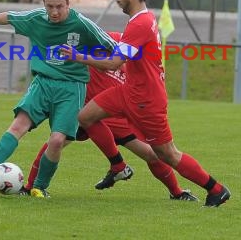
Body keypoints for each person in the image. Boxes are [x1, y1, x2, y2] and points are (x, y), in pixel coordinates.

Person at [60, 0, 230, 207]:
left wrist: (78, 56)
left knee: (167, 154)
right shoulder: (143, 20)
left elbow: (114, 63)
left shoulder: (140, 24)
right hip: (129, 91)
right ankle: (118, 165)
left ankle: (216, 189)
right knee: (86, 117)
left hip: (146, 100)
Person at [0, 0, 128, 198]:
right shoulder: (37, 18)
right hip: (42, 83)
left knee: (57, 140)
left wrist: (126, 69)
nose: (54, 11)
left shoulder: (83, 24)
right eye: (50, 6)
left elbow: (114, 46)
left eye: (59, 6)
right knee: (18, 125)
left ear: (68, 4)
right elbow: (9, 16)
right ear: (44, 3)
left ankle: (40, 187)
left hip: (71, 88)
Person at [22, 32, 198, 201]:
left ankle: (176, 192)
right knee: (56, 141)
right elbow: (86, 45)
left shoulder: (143, 63)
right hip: (88, 110)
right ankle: (30, 187)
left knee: (152, 154)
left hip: (117, 116)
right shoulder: (113, 39)